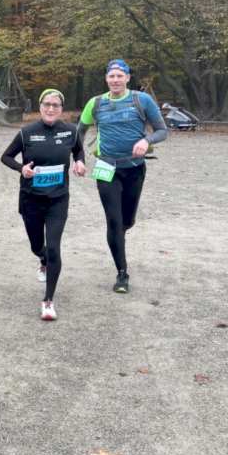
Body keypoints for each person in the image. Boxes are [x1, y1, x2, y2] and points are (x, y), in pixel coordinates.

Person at [76, 59, 168, 294]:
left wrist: (146, 140)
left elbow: (162, 131)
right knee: (114, 222)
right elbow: (79, 132)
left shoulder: (141, 100)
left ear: (128, 78)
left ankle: (122, 230)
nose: (115, 80)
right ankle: (122, 273)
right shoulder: (96, 103)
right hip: (106, 168)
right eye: (111, 76)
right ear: (106, 79)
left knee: (127, 221)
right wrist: (78, 158)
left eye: (120, 76)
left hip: (134, 168)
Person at [1, 89, 86, 320]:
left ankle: (48, 300)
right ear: (39, 107)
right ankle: (41, 260)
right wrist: (22, 169)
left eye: (56, 105)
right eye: (47, 104)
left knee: (53, 247)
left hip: (58, 199)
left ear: (61, 109)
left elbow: (78, 150)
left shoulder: (70, 131)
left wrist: (79, 162)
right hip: (31, 199)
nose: (51, 109)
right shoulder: (26, 132)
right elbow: (6, 157)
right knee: (37, 246)